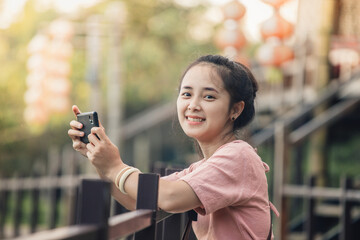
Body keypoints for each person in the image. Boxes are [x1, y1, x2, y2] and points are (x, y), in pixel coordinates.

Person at [68, 55, 278, 239]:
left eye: (209, 96)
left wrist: (115, 166)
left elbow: (169, 197)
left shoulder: (238, 156)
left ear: (235, 109)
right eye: (186, 94)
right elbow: (140, 199)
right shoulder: (203, 167)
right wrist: (99, 160)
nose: (193, 105)